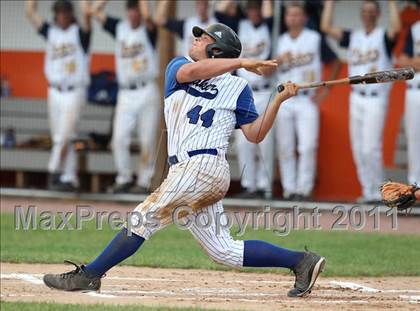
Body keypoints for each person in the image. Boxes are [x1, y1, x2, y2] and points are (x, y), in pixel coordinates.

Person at [42, 23, 326, 298]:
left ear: (217, 50)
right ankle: (302, 261)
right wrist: (242, 62)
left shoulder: (239, 89)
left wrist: (277, 100)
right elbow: (195, 71)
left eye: (203, 39)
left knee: (143, 218)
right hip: (189, 171)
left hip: (204, 167)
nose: (196, 40)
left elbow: (255, 134)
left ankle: (89, 275)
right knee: (222, 250)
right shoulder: (179, 66)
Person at [321, 0, 401, 203]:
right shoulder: (353, 36)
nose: (368, 14)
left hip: (375, 97)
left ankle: (379, 192)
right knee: (358, 148)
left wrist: (391, 4)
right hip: (356, 97)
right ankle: (368, 191)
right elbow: (326, 27)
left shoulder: (383, 36)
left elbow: (397, 29)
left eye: (372, 11)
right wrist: (330, 3)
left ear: (377, 14)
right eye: (365, 11)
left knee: (371, 148)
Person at [269, 2, 340, 200]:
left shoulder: (315, 38)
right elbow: (264, 71)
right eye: (290, 15)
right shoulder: (279, 40)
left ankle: (304, 188)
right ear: (285, 18)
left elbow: (334, 61)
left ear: (304, 18)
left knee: (307, 146)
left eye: (297, 15)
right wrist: (277, 61)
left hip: (307, 98)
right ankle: (289, 189)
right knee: (285, 147)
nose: (292, 18)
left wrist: (325, 91)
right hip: (284, 100)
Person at [92, 0, 160, 194]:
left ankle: (144, 181)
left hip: (146, 90)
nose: (133, 13)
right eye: (130, 9)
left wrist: (144, 5)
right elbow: (95, 11)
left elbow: (149, 17)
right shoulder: (119, 27)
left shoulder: (148, 29)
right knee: (119, 139)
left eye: (135, 9)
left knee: (147, 140)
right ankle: (123, 178)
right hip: (125, 93)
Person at [25, 0, 92, 192]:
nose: (62, 15)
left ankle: (53, 171)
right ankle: (69, 178)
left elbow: (87, 14)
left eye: (65, 12)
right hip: (54, 91)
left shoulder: (80, 33)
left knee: (63, 137)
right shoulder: (51, 32)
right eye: (59, 12)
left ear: (71, 14)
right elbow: (30, 12)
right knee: (63, 138)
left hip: (74, 91)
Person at [216, 0, 275, 199]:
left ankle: (264, 187)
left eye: (256, 8)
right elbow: (219, 14)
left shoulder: (270, 26)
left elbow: (269, 17)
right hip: (244, 90)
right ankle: (249, 185)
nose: (254, 12)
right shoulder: (239, 26)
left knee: (265, 142)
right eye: (250, 8)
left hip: (265, 89)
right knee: (243, 142)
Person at [156, 0, 235, 56]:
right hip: (191, 70)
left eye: (204, 3)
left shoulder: (218, 23)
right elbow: (159, 19)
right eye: (199, 4)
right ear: (196, 5)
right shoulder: (187, 24)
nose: (202, 7)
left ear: (208, 5)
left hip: (210, 71)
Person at [397, 20, 420, 185]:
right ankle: (416, 186)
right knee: (414, 139)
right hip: (414, 90)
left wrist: (414, 63)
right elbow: (402, 61)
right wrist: (414, 63)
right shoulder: (415, 28)